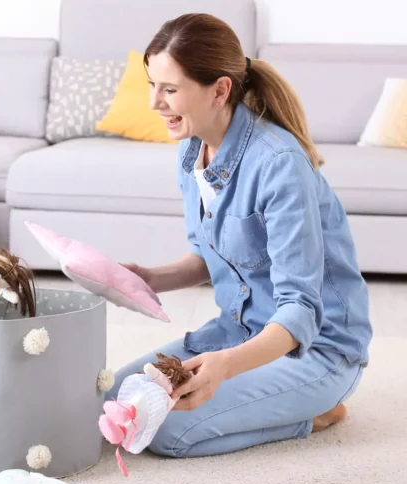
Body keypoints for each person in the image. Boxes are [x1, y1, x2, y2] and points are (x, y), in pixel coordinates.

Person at [109, 13, 372, 458]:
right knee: (121, 394)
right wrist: (149, 278)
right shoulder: (192, 151)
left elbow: (300, 311)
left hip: (317, 350)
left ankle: (317, 413)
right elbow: (213, 256)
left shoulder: (279, 164)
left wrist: (223, 367)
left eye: (170, 89)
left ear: (220, 90)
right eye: (152, 85)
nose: (155, 102)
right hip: (242, 331)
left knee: (169, 431)